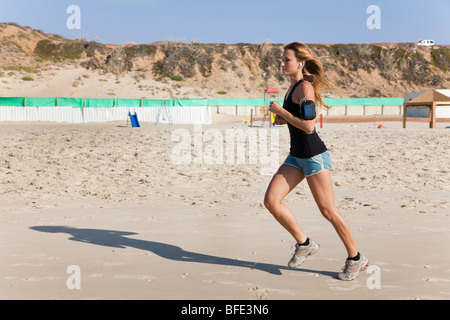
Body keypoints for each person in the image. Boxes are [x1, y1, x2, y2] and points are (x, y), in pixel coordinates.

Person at [265, 42, 368, 281]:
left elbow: (309, 126)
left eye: (286, 59)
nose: (282, 63)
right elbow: (298, 120)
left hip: (313, 157)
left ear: (300, 63)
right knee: (271, 201)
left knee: (328, 211)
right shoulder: (292, 88)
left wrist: (283, 112)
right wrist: (284, 119)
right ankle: (304, 243)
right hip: (295, 156)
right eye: (282, 59)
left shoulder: (305, 88)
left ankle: (355, 258)